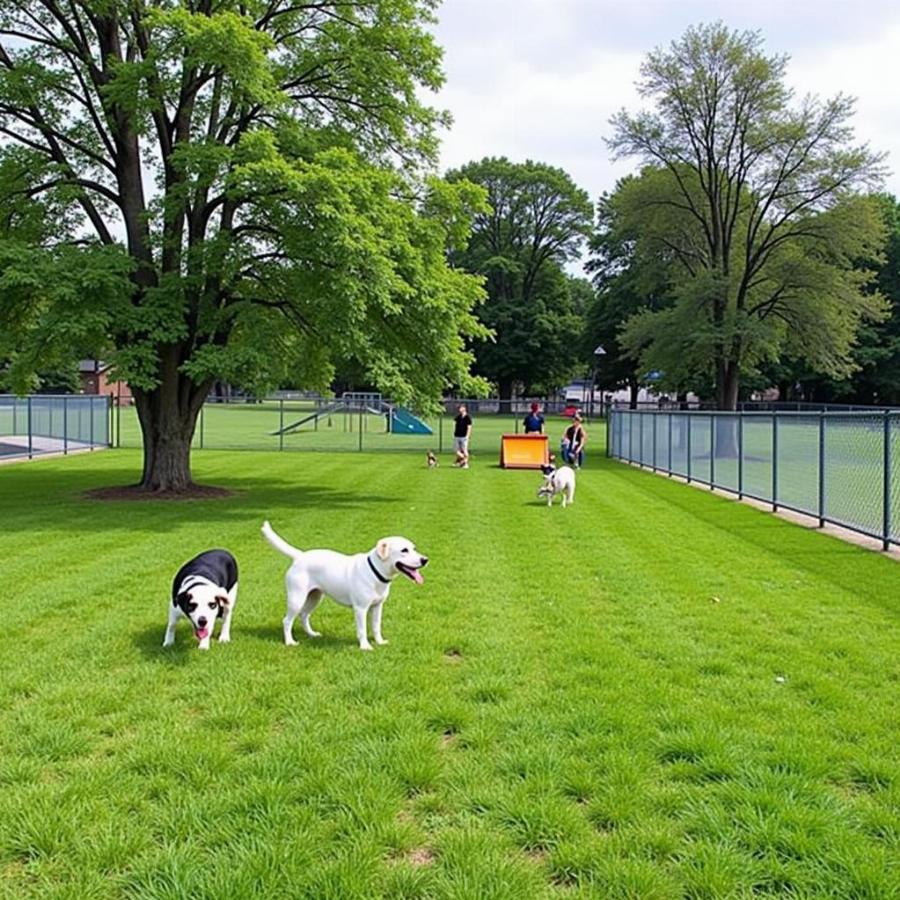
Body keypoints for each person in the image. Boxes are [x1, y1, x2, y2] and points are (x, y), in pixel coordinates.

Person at [453, 403, 472, 468]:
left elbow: (469, 427)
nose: (459, 409)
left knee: (464, 450)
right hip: (457, 436)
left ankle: (465, 464)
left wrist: (467, 436)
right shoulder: (458, 417)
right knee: (456, 451)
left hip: (464, 436)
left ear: (464, 408)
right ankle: (463, 460)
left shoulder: (468, 417)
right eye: (459, 408)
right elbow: (454, 422)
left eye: (460, 408)